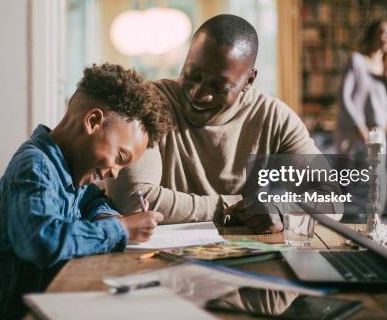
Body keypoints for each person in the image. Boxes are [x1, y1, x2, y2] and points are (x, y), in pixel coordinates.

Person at [0, 64, 172, 319]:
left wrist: (106, 216)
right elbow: (42, 241)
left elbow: (92, 199)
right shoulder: (34, 167)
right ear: (93, 121)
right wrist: (122, 229)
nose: (115, 172)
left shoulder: (70, 170)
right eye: (119, 156)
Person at [109, 14, 339, 234]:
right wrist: (230, 208)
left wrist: (282, 210)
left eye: (219, 86)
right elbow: (133, 201)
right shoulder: (147, 103)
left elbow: (331, 200)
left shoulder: (274, 117)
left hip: (246, 260)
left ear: (249, 80)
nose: (199, 94)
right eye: (192, 75)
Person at [335, 19, 387, 154]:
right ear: (373, 34)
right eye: (383, 32)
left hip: (376, 132)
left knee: (376, 175)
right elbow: (344, 97)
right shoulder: (357, 61)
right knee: (345, 174)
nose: (386, 38)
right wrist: (359, 126)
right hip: (350, 130)